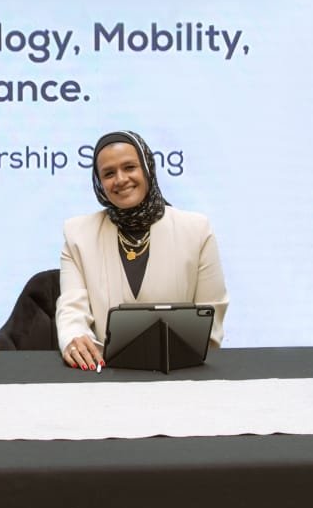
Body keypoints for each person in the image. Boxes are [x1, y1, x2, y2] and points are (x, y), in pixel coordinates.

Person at [57, 130, 228, 370]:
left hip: (180, 372)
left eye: (129, 167)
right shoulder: (78, 234)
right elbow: (71, 309)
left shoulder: (196, 229)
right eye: (108, 173)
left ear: (148, 169)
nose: (120, 179)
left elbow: (211, 312)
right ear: (99, 182)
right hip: (107, 374)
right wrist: (74, 338)